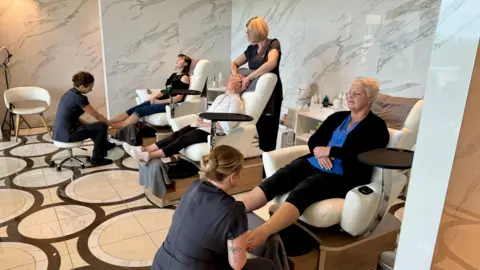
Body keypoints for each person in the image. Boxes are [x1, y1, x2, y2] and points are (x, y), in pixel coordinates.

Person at [241, 78, 390, 251]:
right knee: (281, 176)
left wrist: (331, 152)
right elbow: (314, 141)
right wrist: (320, 154)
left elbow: (363, 154)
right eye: (350, 92)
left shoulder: (377, 127)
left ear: (370, 99)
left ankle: (263, 232)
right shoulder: (338, 117)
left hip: (342, 175)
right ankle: (237, 210)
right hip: (314, 162)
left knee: (305, 188)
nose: (350, 96)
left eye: (357, 94)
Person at [151, 145, 274, 270]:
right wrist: (240, 244)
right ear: (233, 177)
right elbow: (237, 265)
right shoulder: (234, 210)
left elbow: (205, 228)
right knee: (267, 265)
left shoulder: (194, 187)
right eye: (241, 172)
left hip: (161, 263)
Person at [123, 74, 245, 163]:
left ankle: (149, 156)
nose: (227, 81)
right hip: (203, 126)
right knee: (176, 135)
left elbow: (229, 124)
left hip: (213, 132)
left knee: (183, 139)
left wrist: (205, 125)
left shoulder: (236, 101)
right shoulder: (220, 97)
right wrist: (201, 121)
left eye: (230, 80)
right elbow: (209, 113)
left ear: (238, 84)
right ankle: (144, 149)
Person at [231, 16, 282, 152]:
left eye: (249, 31)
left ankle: (267, 168)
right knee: (255, 129)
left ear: (257, 30)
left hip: (271, 93)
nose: (247, 34)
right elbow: (234, 63)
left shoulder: (273, 44)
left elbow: (271, 63)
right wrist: (236, 74)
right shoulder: (251, 49)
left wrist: (249, 77)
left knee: (268, 132)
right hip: (254, 92)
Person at [110, 54, 192, 128]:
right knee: (135, 108)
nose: (177, 61)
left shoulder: (184, 78)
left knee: (139, 111)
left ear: (186, 64)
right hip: (162, 100)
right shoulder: (173, 75)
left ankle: (120, 126)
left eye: (180, 59)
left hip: (170, 105)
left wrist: (158, 102)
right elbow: (167, 91)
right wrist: (154, 98)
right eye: (177, 59)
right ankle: (109, 122)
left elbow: (178, 98)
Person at [52, 72, 116, 165]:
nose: (91, 90)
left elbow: (73, 117)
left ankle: (104, 145)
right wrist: (111, 124)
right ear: (82, 87)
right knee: (101, 125)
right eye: (90, 87)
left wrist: (88, 125)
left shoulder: (69, 93)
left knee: (93, 126)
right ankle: (97, 158)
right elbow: (98, 116)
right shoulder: (80, 98)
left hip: (58, 132)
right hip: (68, 134)